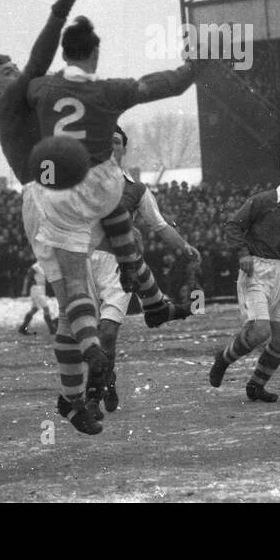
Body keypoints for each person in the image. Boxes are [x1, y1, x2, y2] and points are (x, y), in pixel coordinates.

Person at [0, 0, 176, 435]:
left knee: (82, 295)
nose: (19, 74)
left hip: (69, 192)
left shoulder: (30, 96)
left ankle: (144, 302)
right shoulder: (6, 102)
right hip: (43, 201)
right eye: (6, 72)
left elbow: (44, 72)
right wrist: (60, 12)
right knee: (71, 303)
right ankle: (83, 379)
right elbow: (39, 60)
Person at [25, 15, 195, 429]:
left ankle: (147, 311)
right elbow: (163, 85)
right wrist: (197, 64)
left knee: (107, 255)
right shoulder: (105, 92)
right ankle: (83, 383)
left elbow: (30, 80)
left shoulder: (41, 87)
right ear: (95, 54)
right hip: (75, 200)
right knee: (74, 307)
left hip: (50, 196)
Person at [83, 126, 197, 419]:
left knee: (107, 332)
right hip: (83, 264)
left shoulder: (136, 190)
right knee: (87, 336)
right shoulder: (81, 183)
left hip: (117, 266)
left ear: (123, 150)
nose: (111, 147)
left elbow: (159, 225)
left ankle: (92, 398)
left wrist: (184, 246)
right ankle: (107, 379)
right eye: (105, 142)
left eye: (117, 142)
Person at [209, 155, 280, 403]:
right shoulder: (261, 201)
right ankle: (223, 359)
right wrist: (243, 253)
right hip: (256, 271)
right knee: (260, 331)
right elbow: (232, 224)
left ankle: (256, 385)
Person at [18, 260, 58, 335]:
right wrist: (24, 289)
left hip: (41, 289)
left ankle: (23, 328)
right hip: (37, 289)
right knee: (46, 308)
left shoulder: (44, 267)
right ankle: (52, 330)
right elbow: (27, 278)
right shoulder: (36, 266)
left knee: (34, 309)